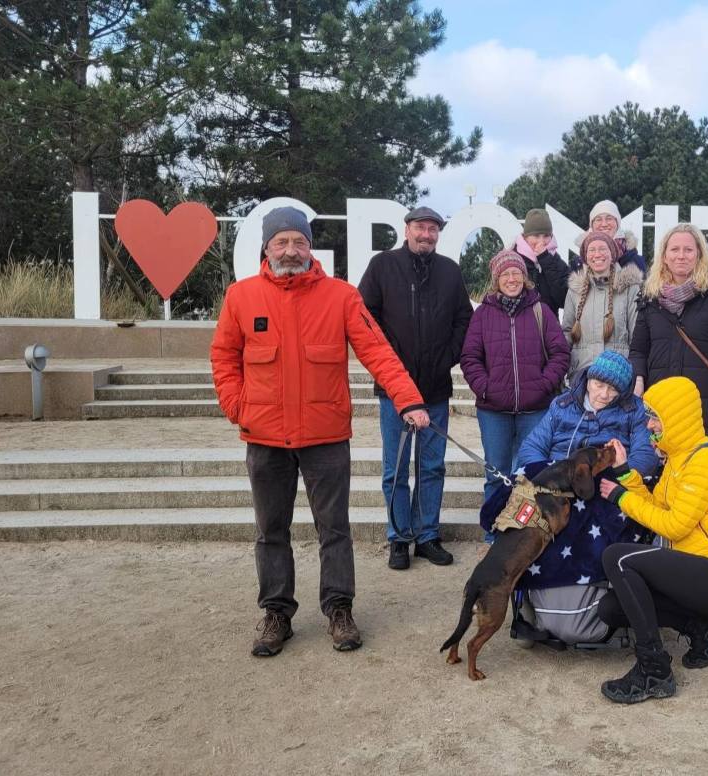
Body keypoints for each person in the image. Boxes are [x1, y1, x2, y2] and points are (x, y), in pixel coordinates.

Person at [211, 206, 430, 657]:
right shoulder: (241, 297)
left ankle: (339, 609)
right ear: (267, 248)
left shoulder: (342, 297)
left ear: (311, 248)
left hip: (326, 436)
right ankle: (276, 613)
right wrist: (237, 407)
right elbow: (224, 357)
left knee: (334, 529)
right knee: (271, 530)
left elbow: (379, 352)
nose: (290, 250)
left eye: (299, 242)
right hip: (265, 436)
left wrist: (408, 399)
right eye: (281, 242)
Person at [483, 350, 658, 643]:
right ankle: (519, 591)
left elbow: (644, 457)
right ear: (588, 379)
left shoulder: (634, 411)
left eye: (613, 389)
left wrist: (618, 469)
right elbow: (531, 449)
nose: (604, 394)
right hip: (558, 483)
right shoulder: (562, 405)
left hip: (604, 484)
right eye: (599, 385)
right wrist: (556, 474)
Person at [597, 376, 708, 704]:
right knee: (611, 608)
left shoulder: (706, 459)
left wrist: (621, 498)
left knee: (617, 558)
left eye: (655, 417)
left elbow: (674, 526)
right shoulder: (677, 460)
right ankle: (699, 628)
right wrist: (625, 473)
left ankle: (654, 670)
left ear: (675, 419)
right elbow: (656, 509)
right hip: (695, 573)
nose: (649, 424)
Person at [358, 206, 474, 571]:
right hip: (393, 390)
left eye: (433, 229)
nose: (426, 234)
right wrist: (390, 366)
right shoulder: (382, 266)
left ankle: (427, 535)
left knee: (431, 466)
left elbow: (463, 322)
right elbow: (364, 320)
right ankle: (399, 538)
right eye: (420, 227)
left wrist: (446, 358)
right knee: (395, 468)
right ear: (406, 229)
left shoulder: (450, 272)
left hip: (435, 388)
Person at [460, 248, 571, 505]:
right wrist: (485, 388)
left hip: (535, 410)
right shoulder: (483, 315)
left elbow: (560, 354)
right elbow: (470, 358)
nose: (512, 279)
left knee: (533, 474)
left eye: (517, 273)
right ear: (496, 280)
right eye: (505, 274)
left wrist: (543, 385)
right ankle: (494, 531)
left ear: (525, 277)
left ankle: (527, 532)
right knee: (496, 474)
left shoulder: (540, 310)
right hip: (493, 411)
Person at [628, 223, 708, 452]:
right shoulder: (650, 299)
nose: (680, 256)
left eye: (688, 250)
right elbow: (638, 351)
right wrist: (638, 378)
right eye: (674, 250)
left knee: (707, 479)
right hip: (660, 411)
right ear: (664, 256)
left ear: (699, 255)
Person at [561, 231, 643, 385]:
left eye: (603, 249)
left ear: (612, 254)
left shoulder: (630, 288)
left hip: (618, 377)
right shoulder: (575, 290)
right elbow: (567, 334)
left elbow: (637, 337)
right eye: (592, 250)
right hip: (582, 377)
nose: (597, 254)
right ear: (585, 256)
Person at [513, 208, 571, 315]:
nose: (541, 241)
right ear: (525, 237)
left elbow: (565, 300)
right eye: (536, 236)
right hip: (521, 328)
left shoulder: (556, 262)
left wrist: (545, 260)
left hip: (550, 328)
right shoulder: (513, 261)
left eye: (546, 236)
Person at [570, 200, 647, 274]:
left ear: (617, 223)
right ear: (592, 225)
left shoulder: (634, 260)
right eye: (598, 219)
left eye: (609, 218)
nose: (604, 224)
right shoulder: (579, 262)